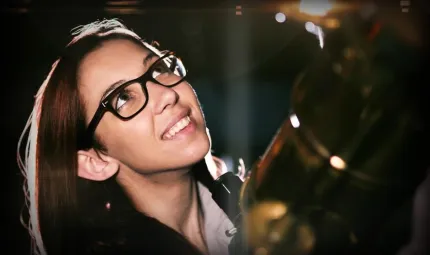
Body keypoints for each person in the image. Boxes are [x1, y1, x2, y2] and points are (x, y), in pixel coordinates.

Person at [17, 19, 244, 255]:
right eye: (123, 98)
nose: (167, 94)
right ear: (94, 162)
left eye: (158, 70)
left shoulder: (257, 206)